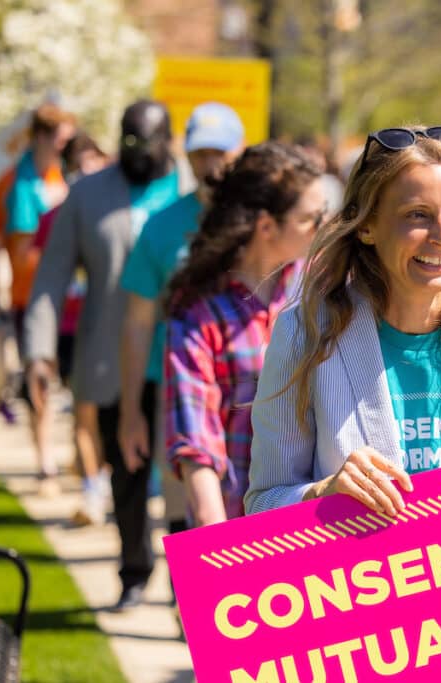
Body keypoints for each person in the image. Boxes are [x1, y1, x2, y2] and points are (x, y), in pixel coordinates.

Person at [245, 125, 441, 515]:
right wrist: (322, 494)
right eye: (418, 215)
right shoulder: (305, 334)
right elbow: (263, 503)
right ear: (366, 226)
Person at [25, 100, 194, 611]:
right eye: (128, 141)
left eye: (147, 142)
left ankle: (194, 595)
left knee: (186, 479)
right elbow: (51, 277)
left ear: (169, 139)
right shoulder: (88, 195)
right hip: (111, 356)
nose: (136, 152)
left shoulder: (195, 191)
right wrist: (38, 350)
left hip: (183, 359)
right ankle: (135, 572)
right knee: (126, 474)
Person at [166, 143, 323, 526]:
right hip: (235, 527)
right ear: (267, 226)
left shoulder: (324, 287)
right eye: (311, 219)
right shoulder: (199, 313)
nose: (323, 228)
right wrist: (220, 551)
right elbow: (196, 445)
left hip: (321, 525)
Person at [118, 102, 244, 540]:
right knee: (188, 521)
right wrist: (132, 410)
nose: (210, 165)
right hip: (181, 395)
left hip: (256, 396)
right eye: (200, 154)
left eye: (219, 153)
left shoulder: (264, 225)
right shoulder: (162, 227)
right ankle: (182, 603)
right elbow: (136, 322)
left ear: (239, 152)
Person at [0, 103, 77, 495]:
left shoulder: (65, 180)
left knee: (72, 381)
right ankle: (46, 463)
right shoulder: (11, 184)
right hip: (28, 299)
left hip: (70, 299)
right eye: (61, 138)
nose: (65, 146)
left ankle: (78, 457)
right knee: (38, 379)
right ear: (42, 136)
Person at [32, 131, 111, 525]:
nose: (88, 170)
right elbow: (44, 272)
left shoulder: (122, 213)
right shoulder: (55, 216)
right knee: (84, 413)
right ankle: (93, 489)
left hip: (108, 327)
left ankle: (99, 481)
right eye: (79, 163)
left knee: (104, 413)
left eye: (95, 160)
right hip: (70, 328)